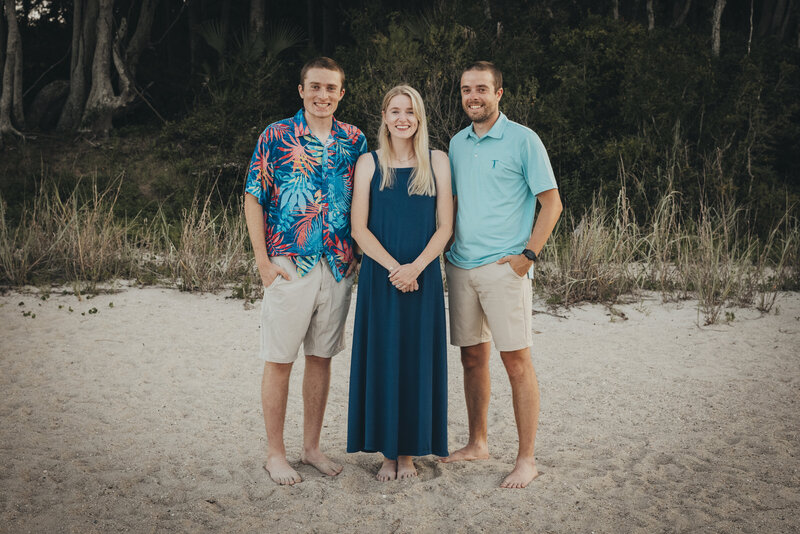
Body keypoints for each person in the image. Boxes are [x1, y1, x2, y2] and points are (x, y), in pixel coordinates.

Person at [244, 57, 367, 486]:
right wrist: (262, 261)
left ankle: (311, 447)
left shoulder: (355, 140)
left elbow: (363, 202)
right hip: (288, 263)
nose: (322, 95)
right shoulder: (276, 135)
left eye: (331, 88)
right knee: (279, 359)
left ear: (341, 93)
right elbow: (253, 196)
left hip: (337, 265)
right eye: (315, 87)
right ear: (301, 90)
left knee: (320, 358)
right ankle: (275, 453)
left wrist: (359, 252)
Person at [440, 61, 562, 489]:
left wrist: (528, 255)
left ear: (499, 94)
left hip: (504, 269)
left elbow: (552, 203)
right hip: (460, 266)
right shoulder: (456, 144)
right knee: (472, 357)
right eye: (466, 89)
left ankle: (526, 458)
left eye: (481, 89)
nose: (473, 96)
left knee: (517, 361)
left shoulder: (523, 140)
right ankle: (478, 442)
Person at [346, 85, 453, 481]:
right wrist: (397, 269)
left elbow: (445, 226)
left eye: (410, 111)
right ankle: (387, 453)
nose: (402, 118)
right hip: (381, 276)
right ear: (385, 117)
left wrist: (417, 268)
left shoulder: (437, 161)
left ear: (419, 117)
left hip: (423, 278)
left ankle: (407, 453)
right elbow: (359, 229)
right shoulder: (369, 163)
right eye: (395, 111)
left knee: (416, 362)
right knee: (384, 359)